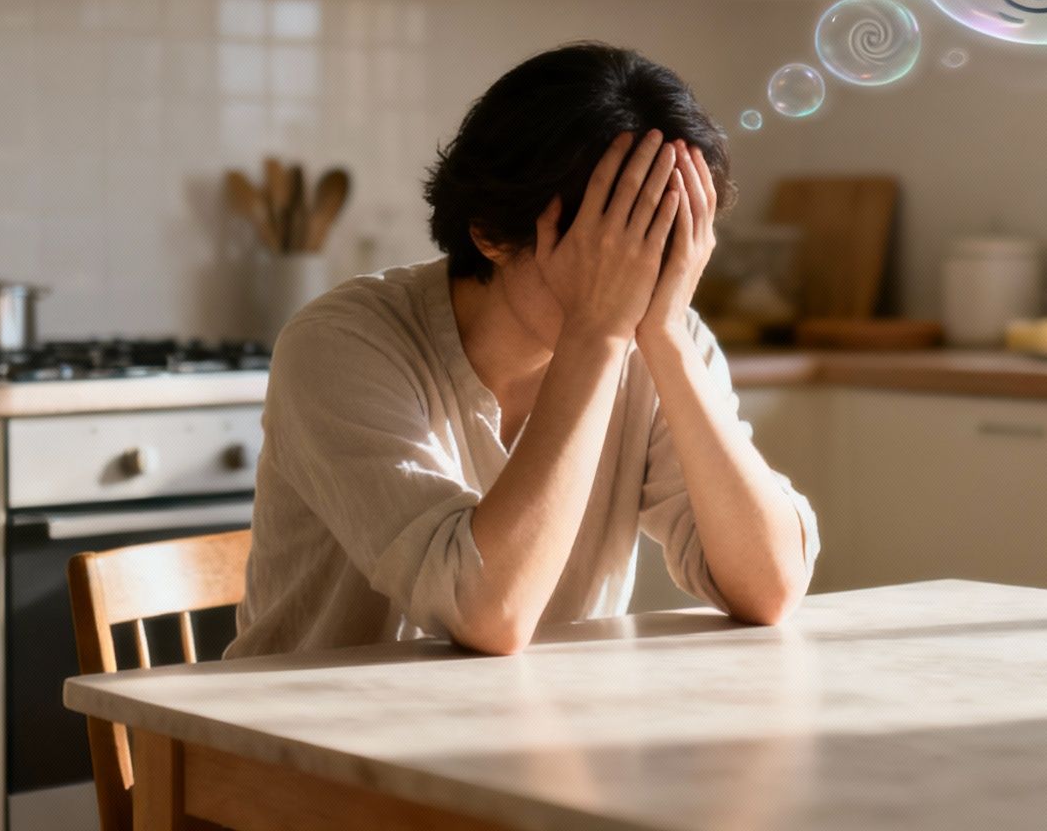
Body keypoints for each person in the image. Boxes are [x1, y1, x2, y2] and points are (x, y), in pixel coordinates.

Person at [228, 42, 818, 657]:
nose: (636, 284)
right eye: (601, 250)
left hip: (533, 733)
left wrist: (667, 336)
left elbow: (770, 588)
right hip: (301, 741)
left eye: (661, 246)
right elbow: (489, 614)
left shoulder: (663, 334)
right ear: (489, 232)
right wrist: (596, 333)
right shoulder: (340, 346)